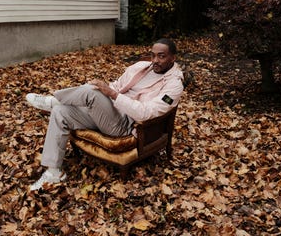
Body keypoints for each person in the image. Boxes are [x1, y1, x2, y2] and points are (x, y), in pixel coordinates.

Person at [26, 38, 184, 190]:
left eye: (161, 56)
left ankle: (54, 100)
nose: (155, 60)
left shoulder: (174, 85)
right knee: (61, 112)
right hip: (110, 113)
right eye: (153, 55)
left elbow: (145, 113)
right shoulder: (142, 67)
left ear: (172, 58)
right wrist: (107, 94)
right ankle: (54, 172)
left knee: (90, 92)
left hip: (126, 125)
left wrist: (111, 95)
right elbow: (116, 85)